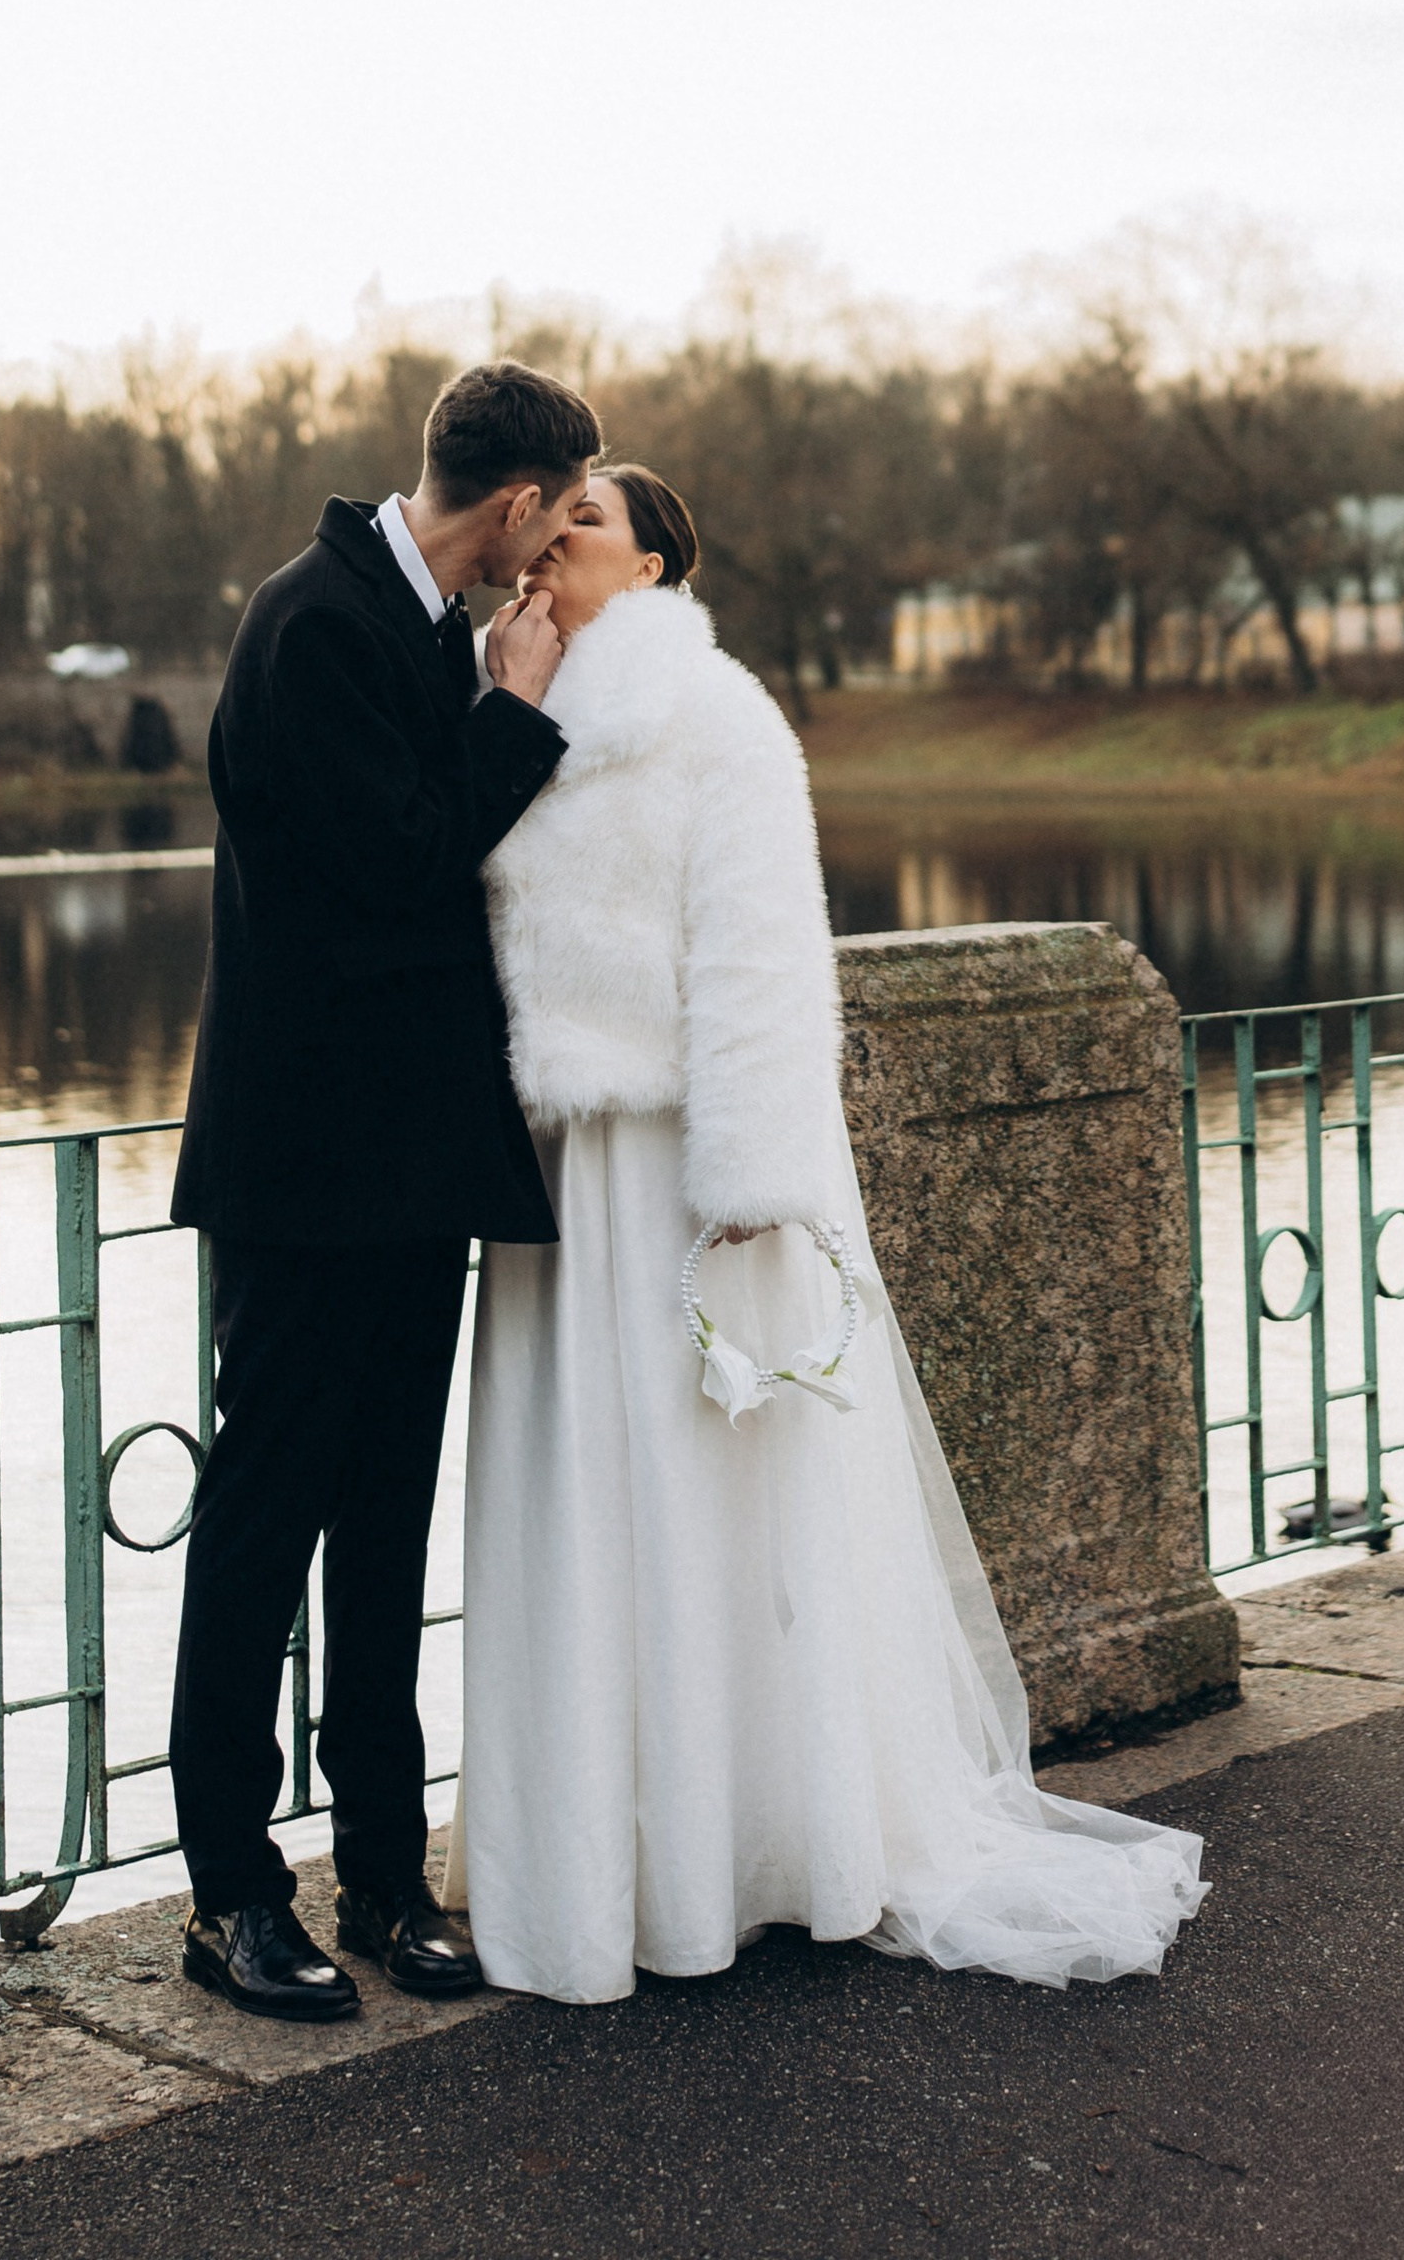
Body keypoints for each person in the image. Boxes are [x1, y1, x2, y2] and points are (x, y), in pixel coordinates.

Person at [444, 465, 1206, 2000]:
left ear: (654, 562)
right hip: (551, 1187)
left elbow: (766, 964)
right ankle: (600, 1857)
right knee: (583, 1503)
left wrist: (748, 1191)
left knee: (702, 1499)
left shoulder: (715, 717)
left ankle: (760, 1849)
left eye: (584, 521)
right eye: (546, 518)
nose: (549, 538)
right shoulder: (509, 709)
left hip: (675, 1172)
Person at [166, 359, 601, 2021]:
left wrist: (489, 688)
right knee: (263, 1526)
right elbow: (409, 865)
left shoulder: (415, 620)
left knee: (385, 1533)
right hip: (301, 1175)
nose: (554, 546)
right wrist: (517, 711)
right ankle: (228, 1899)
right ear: (510, 504)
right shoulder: (316, 624)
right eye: (558, 515)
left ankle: (381, 1877)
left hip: (405, 1170)